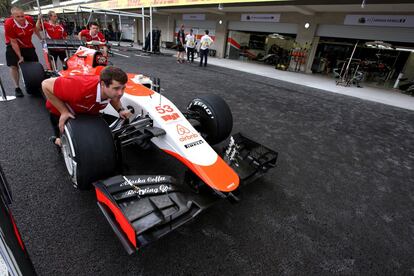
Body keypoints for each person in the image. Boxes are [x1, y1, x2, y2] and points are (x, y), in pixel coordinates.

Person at [41, 66, 132, 148]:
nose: (121, 93)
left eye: (123, 88)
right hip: (59, 111)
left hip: (86, 109)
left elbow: (114, 97)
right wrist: (63, 111)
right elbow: (45, 84)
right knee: (62, 143)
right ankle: (56, 140)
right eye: (116, 88)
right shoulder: (79, 87)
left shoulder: (110, 92)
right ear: (103, 84)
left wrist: (120, 110)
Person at [4, 6, 42, 97]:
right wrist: (20, 57)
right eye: (18, 17)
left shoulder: (29, 19)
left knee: (35, 64)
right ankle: (17, 88)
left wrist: (42, 39)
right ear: (12, 16)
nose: (21, 18)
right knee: (14, 66)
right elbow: (13, 42)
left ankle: (36, 84)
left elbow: (35, 29)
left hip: (28, 45)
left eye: (22, 16)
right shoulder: (8, 24)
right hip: (13, 45)